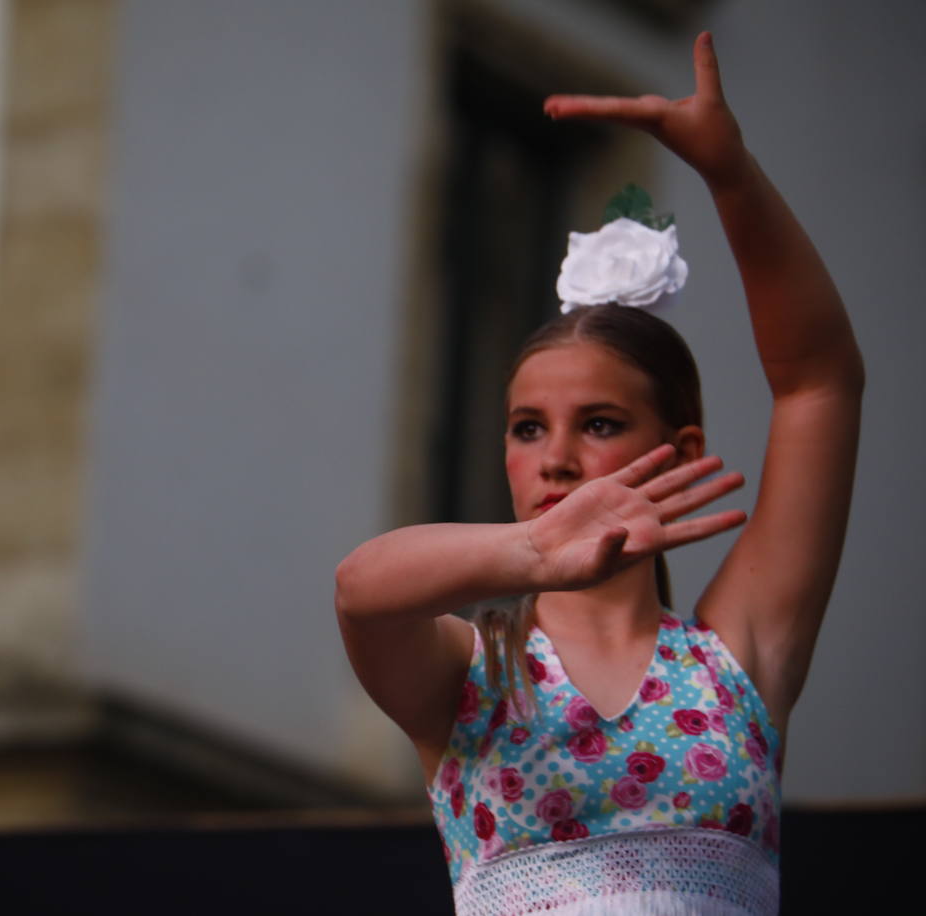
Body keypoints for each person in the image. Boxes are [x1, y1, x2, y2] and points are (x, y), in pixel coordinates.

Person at [334, 32, 863, 915]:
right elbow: (361, 590)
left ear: (683, 453)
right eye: (528, 428)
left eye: (602, 424)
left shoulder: (739, 658)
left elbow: (820, 383)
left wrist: (731, 177)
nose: (559, 459)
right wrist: (535, 553)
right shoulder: (471, 673)